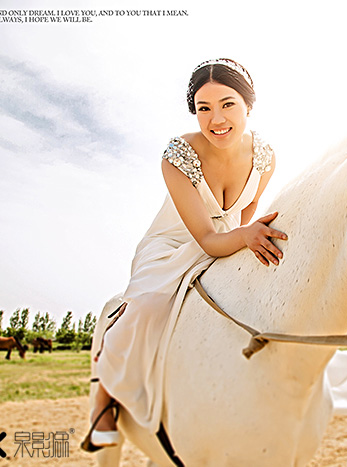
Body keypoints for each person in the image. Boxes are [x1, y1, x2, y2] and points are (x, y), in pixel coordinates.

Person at [81, 58, 287, 451]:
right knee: (144, 308)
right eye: (203, 108)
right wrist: (242, 236)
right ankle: (104, 401)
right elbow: (208, 239)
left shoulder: (266, 156)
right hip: (175, 245)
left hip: (229, 238)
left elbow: (247, 211)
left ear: (248, 105)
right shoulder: (176, 155)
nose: (216, 119)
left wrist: (246, 240)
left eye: (227, 104)